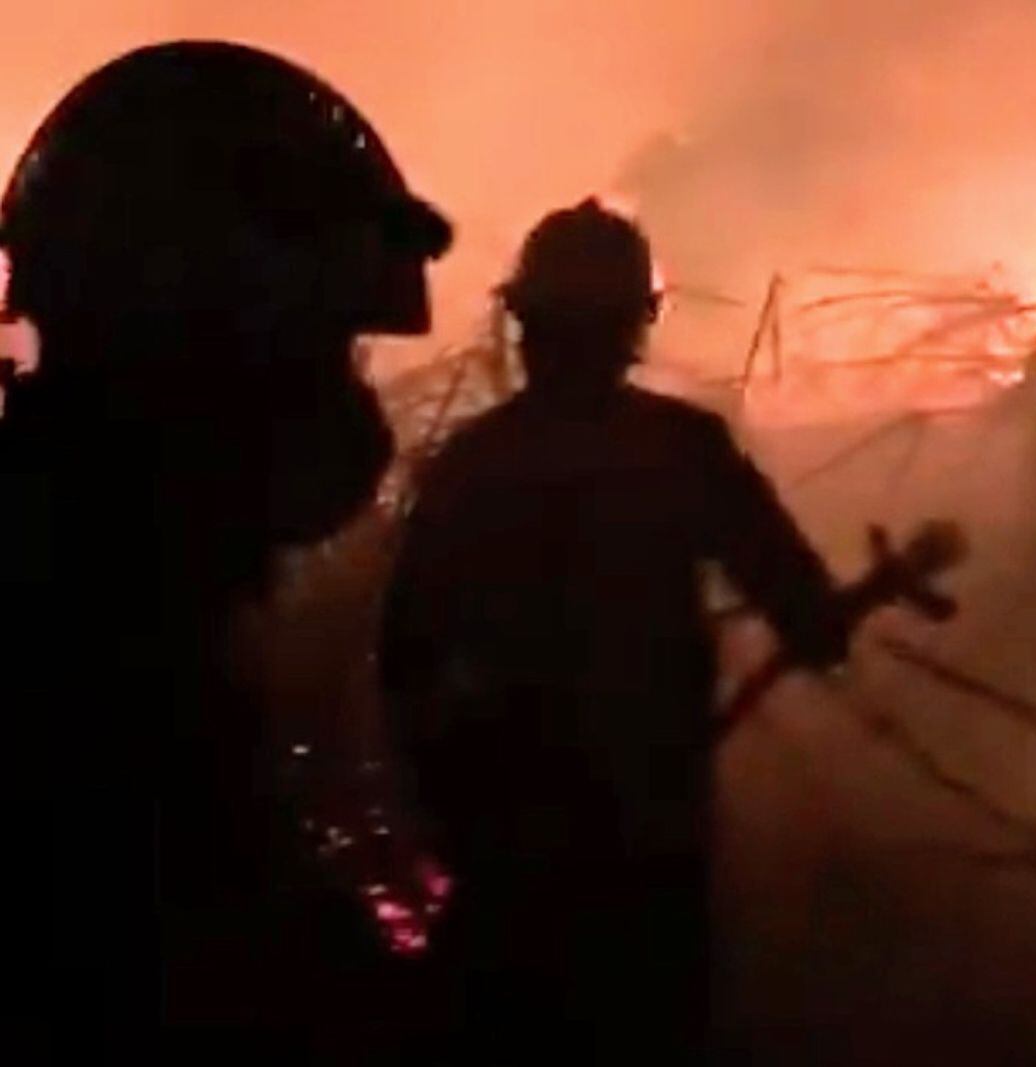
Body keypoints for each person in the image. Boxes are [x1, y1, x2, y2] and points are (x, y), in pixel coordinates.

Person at [0, 41, 450, 1061]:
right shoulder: (93, 625)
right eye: (329, 345)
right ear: (212, 332)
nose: (355, 402)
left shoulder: (103, 563)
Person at [379, 199, 848, 1063]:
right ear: (639, 324)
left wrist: (444, 799)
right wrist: (822, 623)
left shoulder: (471, 467)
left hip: (506, 849)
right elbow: (804, 606)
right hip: (647, 841)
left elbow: (405, 663)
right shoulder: (684, 451)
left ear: (522, 323)